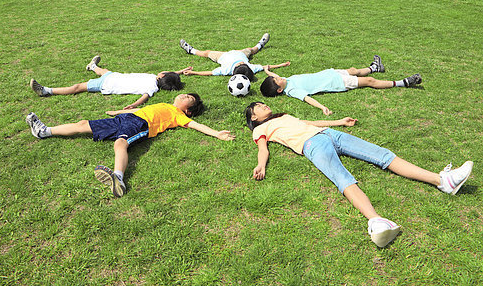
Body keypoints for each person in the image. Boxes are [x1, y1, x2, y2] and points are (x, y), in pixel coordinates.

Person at [245, 102, 473, 248]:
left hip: (328, 133)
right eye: (259, 107)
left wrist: (339, 122)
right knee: (342, 178)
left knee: (382, 155)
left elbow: (310, 122)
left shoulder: (284, 117)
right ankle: (376, 222)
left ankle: (442, 180)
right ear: (254, 117)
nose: (265, 106)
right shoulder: (259, 129)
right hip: (312, 144)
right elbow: (263, 148)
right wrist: (261, 165)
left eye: (264, 104)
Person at [26, 93, 235, 197]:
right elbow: (138, 110)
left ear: (188, 109)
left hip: (140, 124)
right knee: (82, 124)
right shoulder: (165, 104)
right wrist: (118, 112)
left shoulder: (178, 115)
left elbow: (196, 125)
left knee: (120, 143)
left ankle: (118, 179)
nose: (183, 95)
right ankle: (44, 131)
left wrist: (217, 133)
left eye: (188, 98)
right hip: (126, 118)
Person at [259, 55, 422, 115]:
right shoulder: (292, 89)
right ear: (280, 89)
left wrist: (267, 71)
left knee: (353, 70)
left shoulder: (285, 80)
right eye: (276, 80)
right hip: (337, 82)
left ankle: (374, 67)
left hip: (331, 73)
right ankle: (403, 83)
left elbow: (274, 75)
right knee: (369, 82)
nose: (278, 77)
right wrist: (322, 107)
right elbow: (307, 99)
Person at [30, 55, 193, 109]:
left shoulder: (152, 86)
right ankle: (92, 66)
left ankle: (46, 91)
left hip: (108, 84)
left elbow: (144, 97)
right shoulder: (153, 81)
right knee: (103, 71)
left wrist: (134, 105)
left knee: (77, 87)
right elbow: (167, 76)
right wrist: (180, 71)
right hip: (113, 76)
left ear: (162, 76)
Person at [179, 33, 290, 81]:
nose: (242, 63)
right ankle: (260, 44)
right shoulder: (251, 68)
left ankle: (191, 50)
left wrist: (194, 73)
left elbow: (209, 72)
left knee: (207, 53)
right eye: (243, 64)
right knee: (251, 50)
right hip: (241, 53)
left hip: (222, 56)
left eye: (240, 64)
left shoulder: (226, 70)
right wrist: (281, 65)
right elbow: (266, 66)